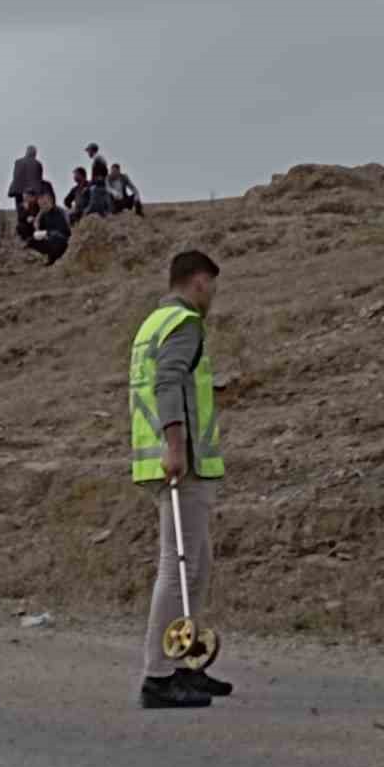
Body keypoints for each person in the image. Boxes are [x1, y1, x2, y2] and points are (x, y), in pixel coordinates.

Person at [130, 250, 228, 709]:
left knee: (197, 562)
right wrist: (175, 447)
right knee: (179, 567)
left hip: (166, 462)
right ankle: (159, 674)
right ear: (198, 282)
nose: (212, 295)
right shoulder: (183, 324)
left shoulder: (153, 322)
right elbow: (168, 383)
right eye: (211, 285)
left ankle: (187, 662)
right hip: (178, 464)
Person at [26, 183, 71, 265]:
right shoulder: (43, 214)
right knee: (31, 241)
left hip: (62, 241)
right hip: (49, 240)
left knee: (56, 239)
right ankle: (46, 256)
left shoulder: (59, 212)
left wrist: (47, 233)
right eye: (40, 204)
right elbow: (39, 229)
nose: (43, 205)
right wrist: (36, 225)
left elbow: (64, 231)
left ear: (50, 200)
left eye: (45, 203)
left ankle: (53, 257)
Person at [9, 145, 45, 226]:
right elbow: (39, 179)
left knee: (20, 211)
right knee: (32, 212)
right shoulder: (37, 164)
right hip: (32, 192)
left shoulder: (18, 162)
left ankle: (21, 228)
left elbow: (16, 175)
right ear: (34, 154)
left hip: (18, 190)